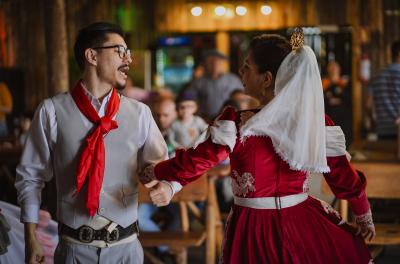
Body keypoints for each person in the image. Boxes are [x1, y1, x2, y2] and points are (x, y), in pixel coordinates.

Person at [141, 30, 375, 263]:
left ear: (267, 79)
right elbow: (343, 175)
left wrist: (157, 171)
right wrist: (363, 212)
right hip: (301, 220)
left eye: (247, 67)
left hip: (254, 227)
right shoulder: (312, 124)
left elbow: (198, 160)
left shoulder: (238, 123)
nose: (240, 72)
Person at [15, 22, 178, 264]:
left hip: (127, 250)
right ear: (91, 55)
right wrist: (30, 238)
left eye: (128, 53)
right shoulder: (51, 111)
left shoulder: (140, 113)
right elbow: (30, 176)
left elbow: (164, 168)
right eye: (120, 51)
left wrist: (168, 186)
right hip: (73, 251)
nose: (128, 60)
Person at [188, 49, 243, 121]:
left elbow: (243, 99)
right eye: (211, 61)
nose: (215, 64)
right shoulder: (198, 82)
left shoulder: (234, 80)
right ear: (206, 64)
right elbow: (190, 99)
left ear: (223, 63)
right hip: (206, 120)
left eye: (218, 61)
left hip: (230, 119)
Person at [367, 40, 400, 139]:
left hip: (382, 132)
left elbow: (368, 104)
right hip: (398, 132)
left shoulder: (377, 75)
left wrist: (373, 121)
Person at [322, 61, 352, 145]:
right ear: (327, 69)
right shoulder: (323, 84)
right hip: (329, 119)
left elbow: (348, 100)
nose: (333, 69)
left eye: (335, 67)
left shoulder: (344, 83)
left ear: (339, 69)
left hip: (343, 120)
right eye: (331, 67)